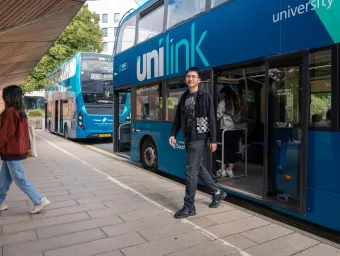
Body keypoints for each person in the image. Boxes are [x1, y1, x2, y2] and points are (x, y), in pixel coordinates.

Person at [169, 67, 227, 219]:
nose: (191, 79)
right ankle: (217, 192)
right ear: (185, 79)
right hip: (188, 137)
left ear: (199, 80)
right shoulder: (183, 97)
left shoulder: (204, 95)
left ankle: (189, 207)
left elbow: (212, 118)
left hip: (200, 138)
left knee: (189, 171)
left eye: (194, 76)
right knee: (198, 168)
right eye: (188, 76)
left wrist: (214, 140)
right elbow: (177, 118)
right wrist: (173, 134)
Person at [0, 85, 51, 214]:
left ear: (9, 96)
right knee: (5, 177)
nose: (3, 98)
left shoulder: (10, 111)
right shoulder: (20, 111)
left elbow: (5, 133)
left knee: (18, 177)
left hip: (11, 150)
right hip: (14, 150)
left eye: (4, 95)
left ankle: (39, 200)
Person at [216, 86, 243, 178]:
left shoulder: (223, 103)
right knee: (232, 150)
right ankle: (230, 170)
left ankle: (222, 170)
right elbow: (238, 117)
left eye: (221, 93)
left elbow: (218, 115)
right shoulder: (236, 102)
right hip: (234, 129)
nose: (220, 95)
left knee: (224, 150)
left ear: (224, 94)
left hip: (225, 129)